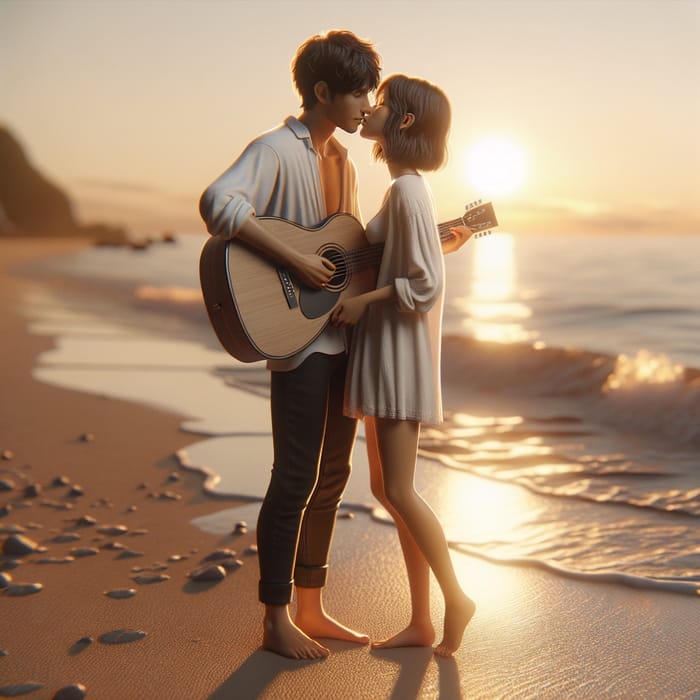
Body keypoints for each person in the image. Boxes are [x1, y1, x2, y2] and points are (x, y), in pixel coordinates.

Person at [199, 30, 381, 660]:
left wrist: (428, 243)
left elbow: (345, 248)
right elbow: (217, 202)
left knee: (334, 475)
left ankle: (311, 605)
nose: (367, 104)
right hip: (296, 340)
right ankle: (275, 617)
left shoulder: (347, 163)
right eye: (359, 91)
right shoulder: (275, 148)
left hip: (337, 337)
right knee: (295, 474)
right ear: (323, 91)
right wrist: (295, 263)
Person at [330, 74, 476, 657]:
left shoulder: (410, 191)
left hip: (396, 351)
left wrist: (362, 302)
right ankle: (420, 620)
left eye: (383, 103)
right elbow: (408, 259)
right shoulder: (402, 193)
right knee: (390, 489)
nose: (371, 109)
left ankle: (456, 599)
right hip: (387, 347)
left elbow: (423, 284)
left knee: (400, 489)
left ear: (405, 121)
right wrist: (435, 244)